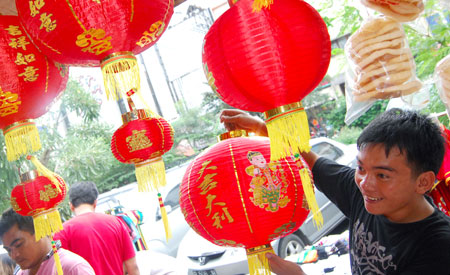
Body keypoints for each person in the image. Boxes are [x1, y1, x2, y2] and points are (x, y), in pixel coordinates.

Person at [220, 108, 450, 275]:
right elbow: (311, 160)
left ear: (423, 182)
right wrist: (262, 128)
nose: (364, 183)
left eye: (382, 175)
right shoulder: (361, 194)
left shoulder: (438, 247)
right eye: (360, 167)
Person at [53, 181, 140, 275]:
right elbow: (132, 266)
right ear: (95, 202)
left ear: (71, 205)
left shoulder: (62, 232)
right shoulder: (117, 223)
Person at [0, 208, 95, 275]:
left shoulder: (72, 267)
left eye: (18, 245)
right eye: (8, 250)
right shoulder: (21, 273)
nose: (13, 255)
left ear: (39, 232)